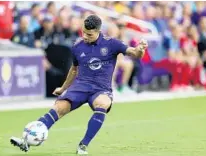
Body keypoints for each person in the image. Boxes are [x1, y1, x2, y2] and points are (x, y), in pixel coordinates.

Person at [10, 15, 147, 155]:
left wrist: (140, 49)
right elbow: (74, 69)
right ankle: (26, 140)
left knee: (102, 104)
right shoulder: (77, 46)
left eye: (89, 34)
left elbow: (135, 53)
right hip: (80, 86)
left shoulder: (112, 43)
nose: (85, 36)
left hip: (101, 89)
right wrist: (63, 88)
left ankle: (83, 145)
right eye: (83, 32)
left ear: (98, 32)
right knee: (58, 108)